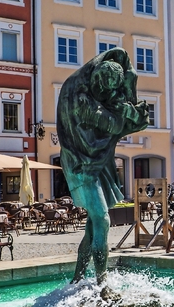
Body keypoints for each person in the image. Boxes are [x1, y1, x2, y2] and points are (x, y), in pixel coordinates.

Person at [57, 48, 149, 294]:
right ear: (95, 77)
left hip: (98, 163)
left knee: (92, 224)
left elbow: (132, 122)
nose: (104, 91)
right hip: (81, 165)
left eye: (109, 88)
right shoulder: (80, 99)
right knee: (102, 219)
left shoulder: (102, 97)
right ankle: (103, 283)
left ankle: (77, 278)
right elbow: (113, 124)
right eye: (101, 85)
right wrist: (125, 111)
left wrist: (128, 109)